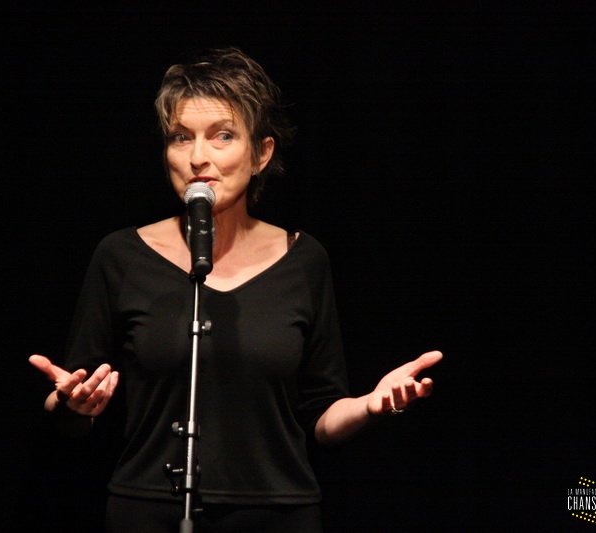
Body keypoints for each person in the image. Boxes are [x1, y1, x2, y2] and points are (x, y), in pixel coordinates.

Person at [29, 47, 442, 533]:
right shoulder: (121, 256)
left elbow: (321, 414)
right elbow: (72, 402)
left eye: (222, 135)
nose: (197, 157)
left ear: (261, 153)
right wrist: (69, 404)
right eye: (181, 137)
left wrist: (370, 406)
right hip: (149, 509)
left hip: (278, 514)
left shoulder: (304, 259)